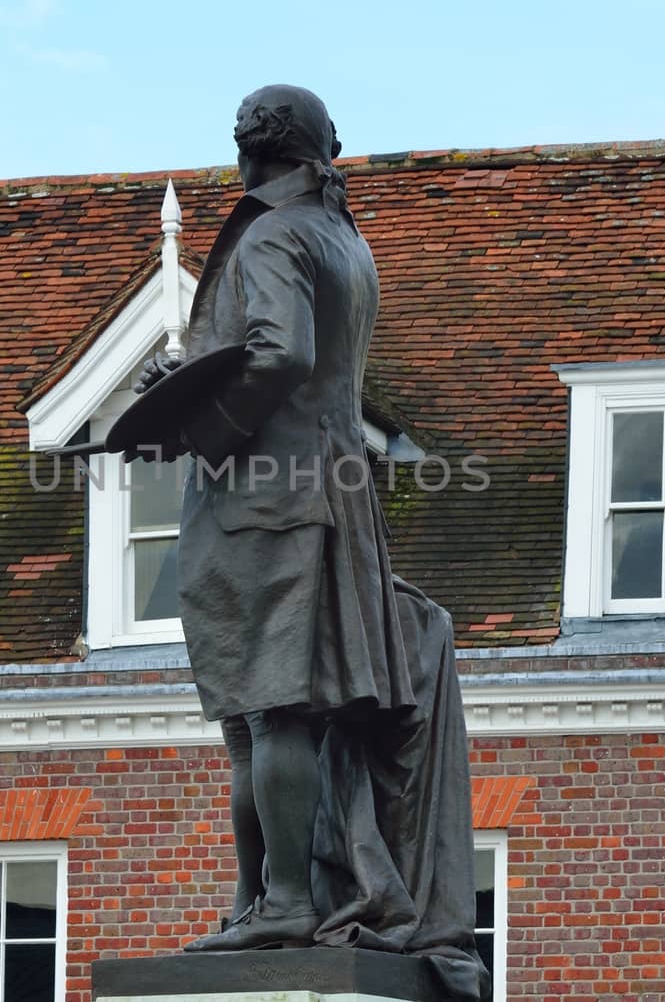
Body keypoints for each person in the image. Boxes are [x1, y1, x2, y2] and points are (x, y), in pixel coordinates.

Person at [134, 85, 488, 998]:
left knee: (269, 703)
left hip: (265, 490)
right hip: (334, 486)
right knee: (271, 702)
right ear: (324, 146)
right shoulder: (345, 239)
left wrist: (200, 419)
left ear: (251, 150)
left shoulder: (274, 234)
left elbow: (280, 352)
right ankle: (261, 900)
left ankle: (281, 899)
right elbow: (293, 355)